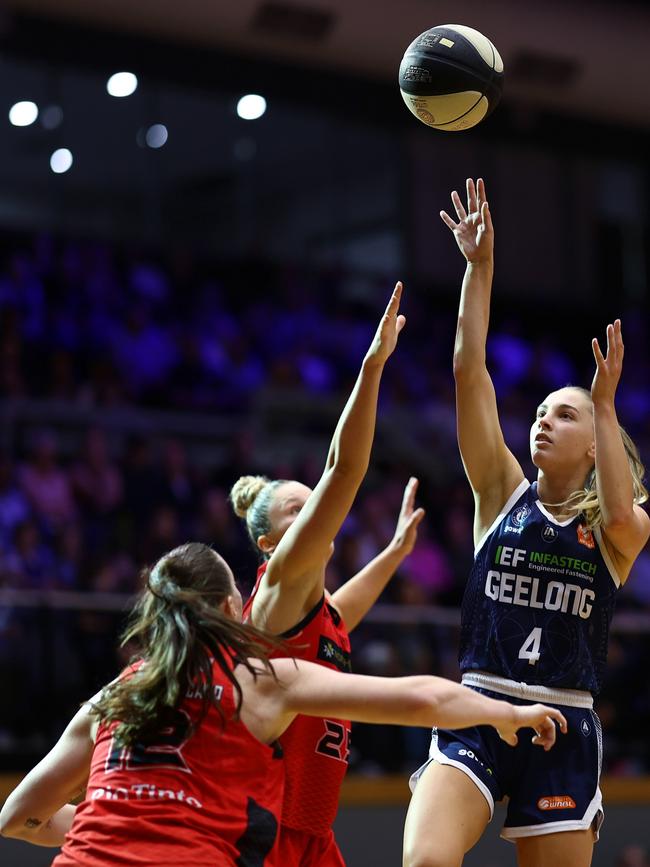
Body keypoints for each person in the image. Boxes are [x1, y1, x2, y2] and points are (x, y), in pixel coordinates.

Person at [0, 542, 567, 865]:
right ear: (232, 605)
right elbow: (421, 698)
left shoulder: (110, 697)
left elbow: (18, 818)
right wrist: (510, 712)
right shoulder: (261, 678)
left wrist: (110, 826)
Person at [403, 178, 650, 867]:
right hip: (479, 704)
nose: (543, 417)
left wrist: (602, 403)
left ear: (597, 442)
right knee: (425, 859)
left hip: (565, 719)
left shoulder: (616, 530)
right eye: (540, 409)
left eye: (562, 413)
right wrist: (478, 269)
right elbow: (467, 370)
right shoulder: (499, 490)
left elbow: (627, 509)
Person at [230, 282, 424, 865]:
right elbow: (344, 469)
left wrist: (392, 551)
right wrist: (372, 367)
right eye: (300, 507)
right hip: (267, 824)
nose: (315, 509)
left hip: (313, 829)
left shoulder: (309, 611)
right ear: (269, 544)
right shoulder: (280, 581)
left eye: (313, 501)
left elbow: (342, 614)